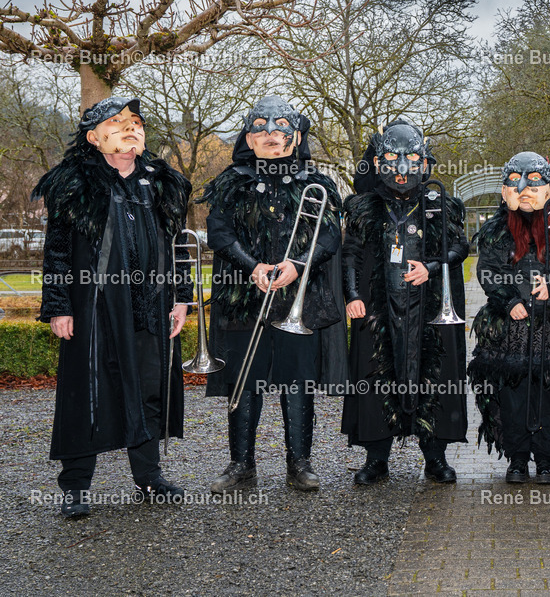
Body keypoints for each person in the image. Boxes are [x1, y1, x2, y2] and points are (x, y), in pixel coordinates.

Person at [34, 96, 191, 518]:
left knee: (150, 389)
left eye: (135, 122)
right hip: (94, 309)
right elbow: (57, 251)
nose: (130, 128)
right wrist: (59, 306)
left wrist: (182, 299)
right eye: (116, 122)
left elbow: (178, 247)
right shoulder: (74, 184)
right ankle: (75, 486)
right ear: (93, 137)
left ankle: (149, 477)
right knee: (86, 392)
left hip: (152, 308)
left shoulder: (163, 182)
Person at [201, 95, 345, 494]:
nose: (270, 134)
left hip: (298, 297)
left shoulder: (317, 184)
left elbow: (330, 236)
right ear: (249, 137)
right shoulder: (230, 181)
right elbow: (219, 233)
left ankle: (299, 463)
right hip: (244, 298)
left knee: (297, 380)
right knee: (244, 380)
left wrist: (298, 264)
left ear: (295, 137)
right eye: (260, 128)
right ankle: (241, 464)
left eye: (280, 128)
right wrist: (253, 266)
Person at [341, 119, 469, 484]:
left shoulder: (440, 203)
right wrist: (352, 294)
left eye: (411, 158)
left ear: (424, 162)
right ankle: (376, 459)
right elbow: (350, 253)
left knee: (435, 377)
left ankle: (435, 458)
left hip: (430, 308)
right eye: (392, 159)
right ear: (378, 162)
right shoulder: (363, 206)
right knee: (375, 377)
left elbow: (460, 246)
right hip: (377, 308)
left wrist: (432, 267)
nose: (401, 168)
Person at [468, 152, 550, 484]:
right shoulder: (496, 228)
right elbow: (488, 271)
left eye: (534, 184)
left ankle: (545, 459)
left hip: (549, 327)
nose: (524, 191)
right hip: (509, 329)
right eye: (515, 184)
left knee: (548, 393)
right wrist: (509, 300)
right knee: (513, 395)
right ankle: (518, 459)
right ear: (505, 190)